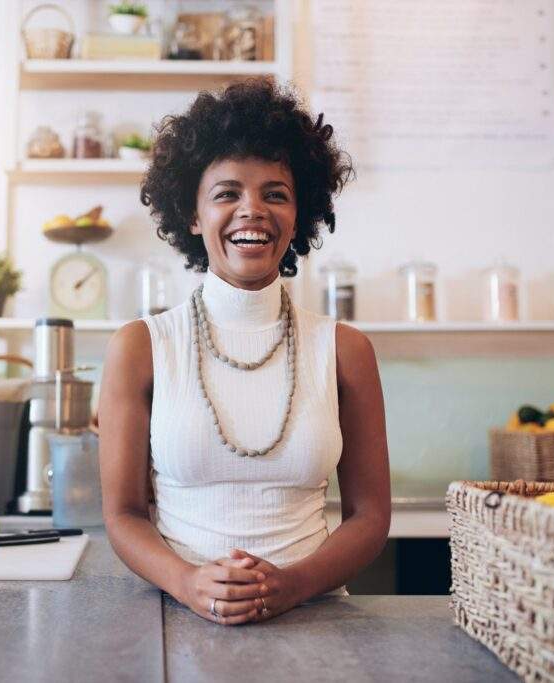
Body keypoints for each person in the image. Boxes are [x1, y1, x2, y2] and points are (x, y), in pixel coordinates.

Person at [98, 79, 390, 625]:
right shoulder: (142, 347)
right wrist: (189, 583)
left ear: (300, 213)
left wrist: (293, 585)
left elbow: (370, 516)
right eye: (227, 193)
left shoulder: (346, 350)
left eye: (275, 193)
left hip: (316, 619)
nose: (251, 210)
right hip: (178, 620)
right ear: (192, 214)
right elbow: (122, 515)